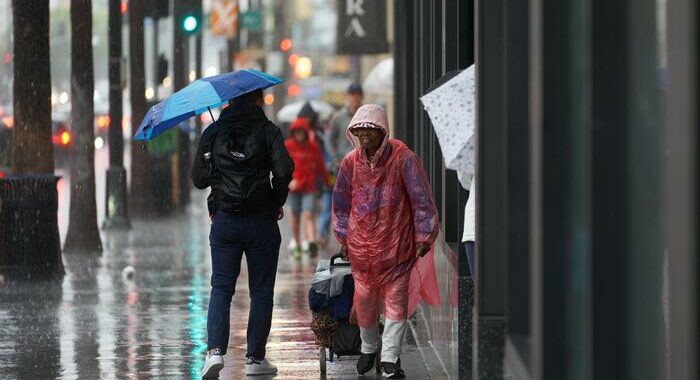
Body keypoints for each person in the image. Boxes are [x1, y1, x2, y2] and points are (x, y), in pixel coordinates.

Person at [191, 89, 294, 379]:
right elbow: (284, 169)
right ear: (259, 100)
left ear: (229, 101)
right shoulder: (268, 130)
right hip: (261, 220)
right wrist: (275, 200)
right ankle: (255, 358)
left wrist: (218, 180)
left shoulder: (214, 131)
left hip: (224, 221)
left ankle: (214, 352)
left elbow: (198, 179)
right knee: (261, 291)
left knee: (221, 288)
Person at [332, 104, 439, 379]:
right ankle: (368, 346)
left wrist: (424, 235)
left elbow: (421, 200)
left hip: (397, 246)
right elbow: (341, 204)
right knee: (364, 300)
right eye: (359, 129)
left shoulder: (404, 159)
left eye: (370, 129)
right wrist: (343, 236)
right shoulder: (349, 163)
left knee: (395, 302)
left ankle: (390, 357)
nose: (364, 134)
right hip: (362, 249)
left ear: (382, 130)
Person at [284, 117, 330, 258]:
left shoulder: (313, 147)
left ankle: (311, 241)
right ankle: (297, 244)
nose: (299, 135)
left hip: (309, 186)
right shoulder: (288, 145)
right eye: (296, 132)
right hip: (293, 187)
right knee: (295, 215)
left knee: (309, 213)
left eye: (301, 132)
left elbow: (320, 165)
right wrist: (287, 181)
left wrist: (326, 181)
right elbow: (281, 165)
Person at [297, 102, 335, 247]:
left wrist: (328, 165)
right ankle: (313, 236)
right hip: (309, 176)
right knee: (310, 209)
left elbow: (327, 151)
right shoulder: (299, 133)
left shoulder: (319, 132)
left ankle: (321, 233)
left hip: (323, 172)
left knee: (326, 203)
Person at [328, 83, 363, 168]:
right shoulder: (338, 117)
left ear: (362, 96)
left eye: (357, 94)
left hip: (362, 163)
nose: (355, 97)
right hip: (343, 163)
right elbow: (330, 140)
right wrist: (336, 160)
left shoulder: (366, 116)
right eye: (352, 94)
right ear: (348, 96)